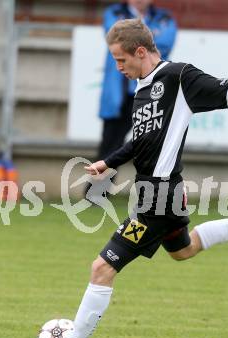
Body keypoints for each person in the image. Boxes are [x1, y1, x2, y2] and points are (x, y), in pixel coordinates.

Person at [31, 19, 228, 338]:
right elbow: (142, 142)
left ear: (140, 51)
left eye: (120, 60)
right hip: (160, 192)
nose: (118, 67)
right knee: (184, 250)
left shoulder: (177, 77)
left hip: (158, 197)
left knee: (102, 268)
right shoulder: (142, 90)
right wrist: (109, 164)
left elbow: (223, 88)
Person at [89, 0, 177, 196]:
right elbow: (116, 39)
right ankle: (96, 192)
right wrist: (144, 37)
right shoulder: (114, 12)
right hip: (119, 93)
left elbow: (163, 44)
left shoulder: (165, 18)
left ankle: (155, 195)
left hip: (150, 92)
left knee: (150, 143)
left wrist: (133, 38)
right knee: (111, 143)